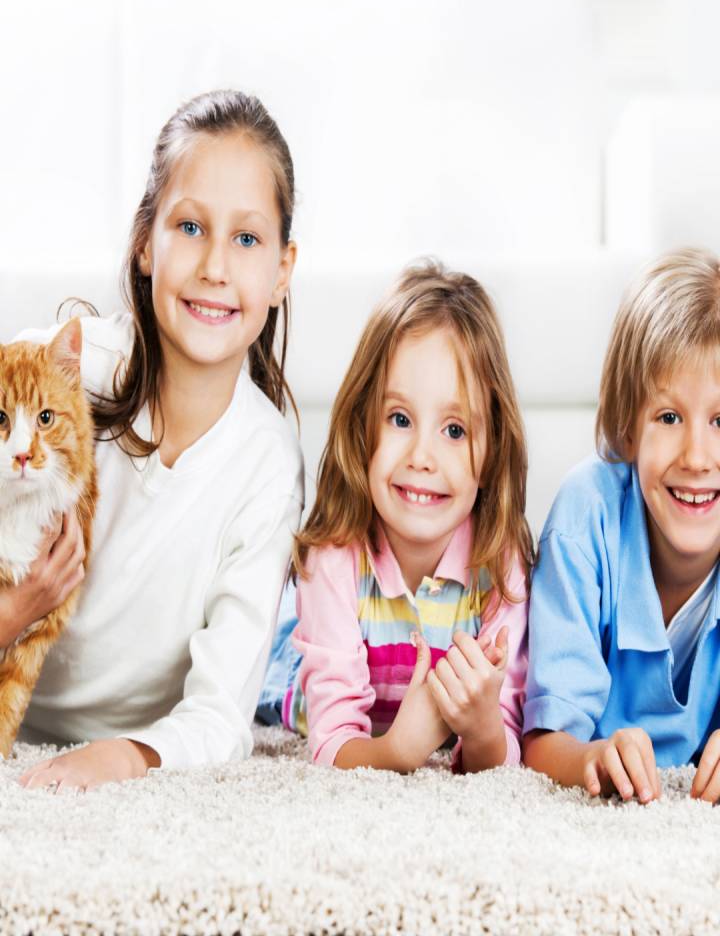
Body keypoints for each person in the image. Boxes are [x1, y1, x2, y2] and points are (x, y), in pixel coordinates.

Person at [5, 89, 303, 790]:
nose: (215, 268)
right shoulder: (52, 379)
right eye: (190, 227)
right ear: (145, 243)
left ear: (283, 270)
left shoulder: (266, 463)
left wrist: (125, 755)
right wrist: (14, 612)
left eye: (248, 238)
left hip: (135, 739)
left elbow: (223, 711)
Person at [259, 263, 532, 773]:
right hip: (300, 667)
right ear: (364, 427)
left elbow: (505, 748)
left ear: (492, 447)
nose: (422, 457)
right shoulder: (334, 559)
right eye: (400, 419)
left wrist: (481, 731)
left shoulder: (500, 567)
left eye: (454, 430)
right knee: (268, 675)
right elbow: (333, 741)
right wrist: (398, 750)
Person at [524, 248, 720, 804]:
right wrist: (589, 756)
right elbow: (542, 740)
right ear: (628, 428)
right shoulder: (585, 516)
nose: (698, 456)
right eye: (668, 417)